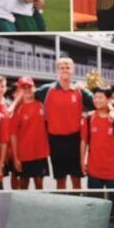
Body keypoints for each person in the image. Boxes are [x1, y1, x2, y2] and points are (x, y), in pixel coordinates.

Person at [35, 58, 93, 189]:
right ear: (57, 71)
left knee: (76, 180)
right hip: (55, 141)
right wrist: (12, 107)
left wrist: (111, 110)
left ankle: (77, 202)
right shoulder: (47, 90)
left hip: (74, 140)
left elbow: (98, 102)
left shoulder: (80, 90)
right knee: (60, 181)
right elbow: (28, 95)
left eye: (68, 68)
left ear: (73, 70)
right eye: (62, 68)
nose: (65, 70)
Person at [80, 85, 114, 189]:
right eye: (95, 97)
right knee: (94, 198)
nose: (97, 100)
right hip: (93, 171)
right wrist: (82, 162)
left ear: (108, 99)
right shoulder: (89, 118)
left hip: (112, 171)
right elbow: (83, 141)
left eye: (100, 97)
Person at [9, 77, 50, 190]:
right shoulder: (18, 109)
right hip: (24, 155)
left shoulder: (41, 105)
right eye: (24, 87)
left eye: (29, 87)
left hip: (40, 153)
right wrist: (16, 158)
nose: (27, 90)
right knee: (23, 185)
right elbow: (13, 135)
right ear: (20, 90)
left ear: (34, 87)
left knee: (39, 185)